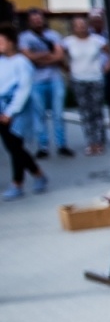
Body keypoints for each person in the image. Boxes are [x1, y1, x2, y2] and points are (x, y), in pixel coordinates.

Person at [0, 25, 48, 200]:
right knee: (12, 147)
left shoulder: (22, 62)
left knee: (15, 146)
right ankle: (35, 175)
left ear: (11, 42)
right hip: (2, 107)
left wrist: (11, 112)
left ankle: (19, 182)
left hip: (17, 110)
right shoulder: (2, 61)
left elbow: (24, 89)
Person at [18, 10, 70, 159]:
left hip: (55, 79)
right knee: (39, 114)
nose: (37, 22)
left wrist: (39, 58)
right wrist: (47, 56)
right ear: (29, 22)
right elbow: (27, 57)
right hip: (35, 81)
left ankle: (62, 145)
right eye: (34, 20)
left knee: (58, 113)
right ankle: (43, 147)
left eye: (39, 19)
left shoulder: (53, 35)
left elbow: (59, 55)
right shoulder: (25, 38)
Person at [63, 16, 109, 155]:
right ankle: (91, 142)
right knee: (85, 112)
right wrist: (67, 69)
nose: (81, 27)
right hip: (79, 79)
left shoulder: (97, 40)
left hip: (95, 78)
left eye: (83, 24)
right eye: (78, 25)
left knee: (96, 110)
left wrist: (106, 68)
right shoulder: (68, 42)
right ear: (73, 28)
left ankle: (100, 141)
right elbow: (59, 56)